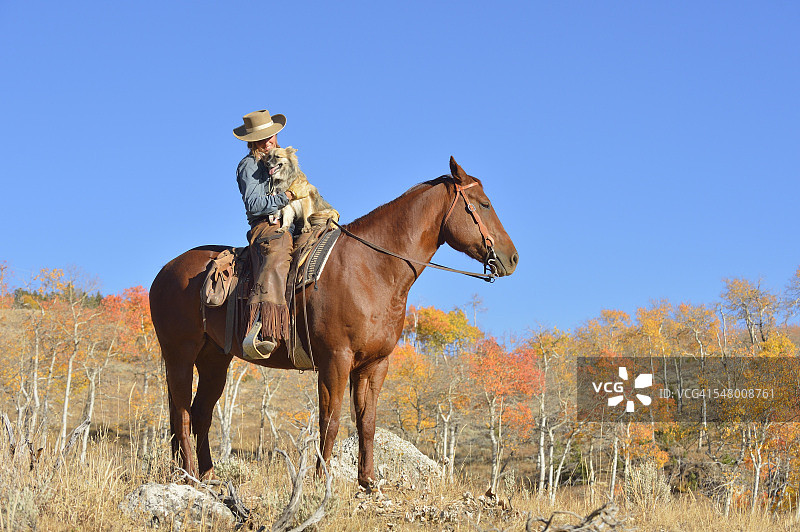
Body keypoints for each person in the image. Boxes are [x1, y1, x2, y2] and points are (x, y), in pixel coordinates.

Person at [232, 109, 303, 359]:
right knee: (279, 250)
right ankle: (264, 325)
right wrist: (287, 197)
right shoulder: (249, 165)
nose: (268, 141)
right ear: (252, 141)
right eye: (262, 138)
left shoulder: (285, 159)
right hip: (266, 225)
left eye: (271, 136)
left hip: (295, 217)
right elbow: (253, 203)